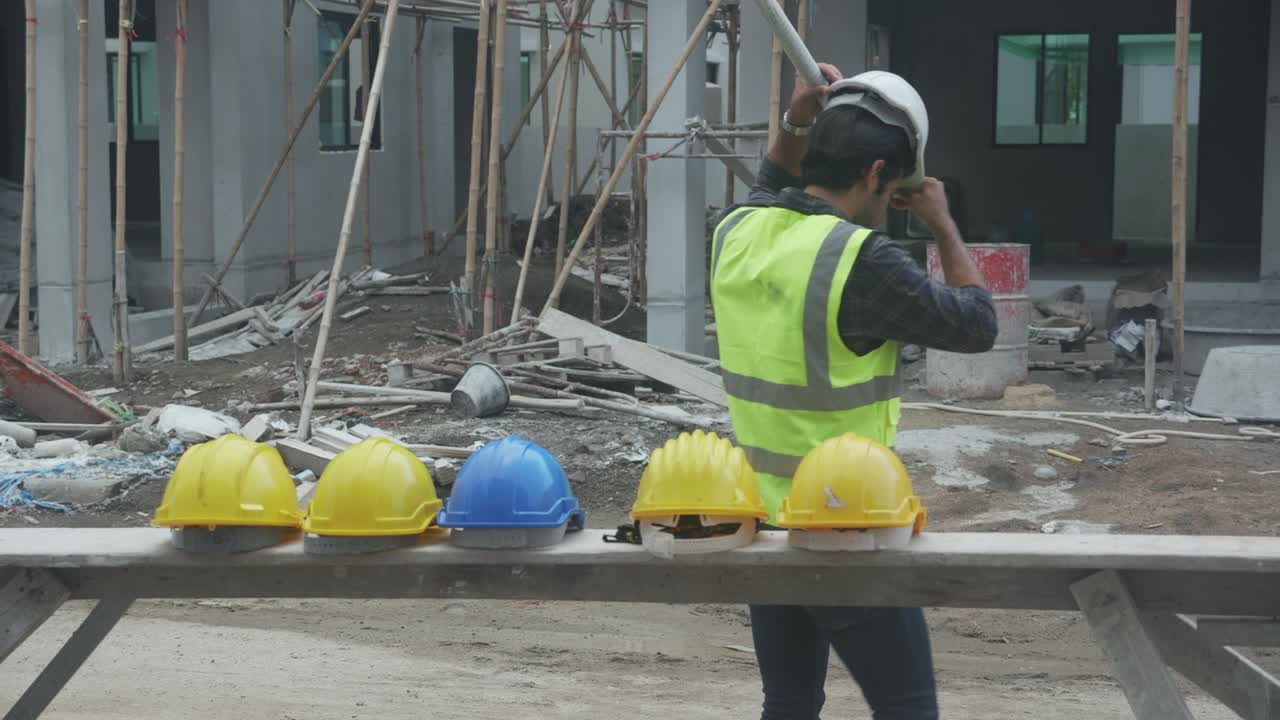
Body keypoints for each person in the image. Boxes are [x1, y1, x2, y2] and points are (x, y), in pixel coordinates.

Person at [709, 63, 998, 720]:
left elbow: (770, 183)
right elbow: (979, 325)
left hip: (767, 528)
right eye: (890, 186)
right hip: (847, 530)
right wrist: (942, 224)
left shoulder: (736, 234)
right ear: (876, 175)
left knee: (788, 704)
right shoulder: (861, 262)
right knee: (908, 711)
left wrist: (792, 123)